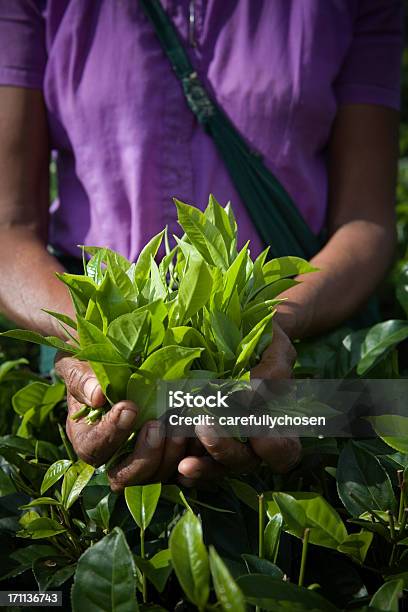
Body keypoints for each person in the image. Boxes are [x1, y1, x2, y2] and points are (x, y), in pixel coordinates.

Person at [0, 0, 403, 491]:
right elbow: (9, 227)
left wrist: (268, 328)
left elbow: (366, 222)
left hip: (293, 361)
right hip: (105, 362)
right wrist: (92, 350)